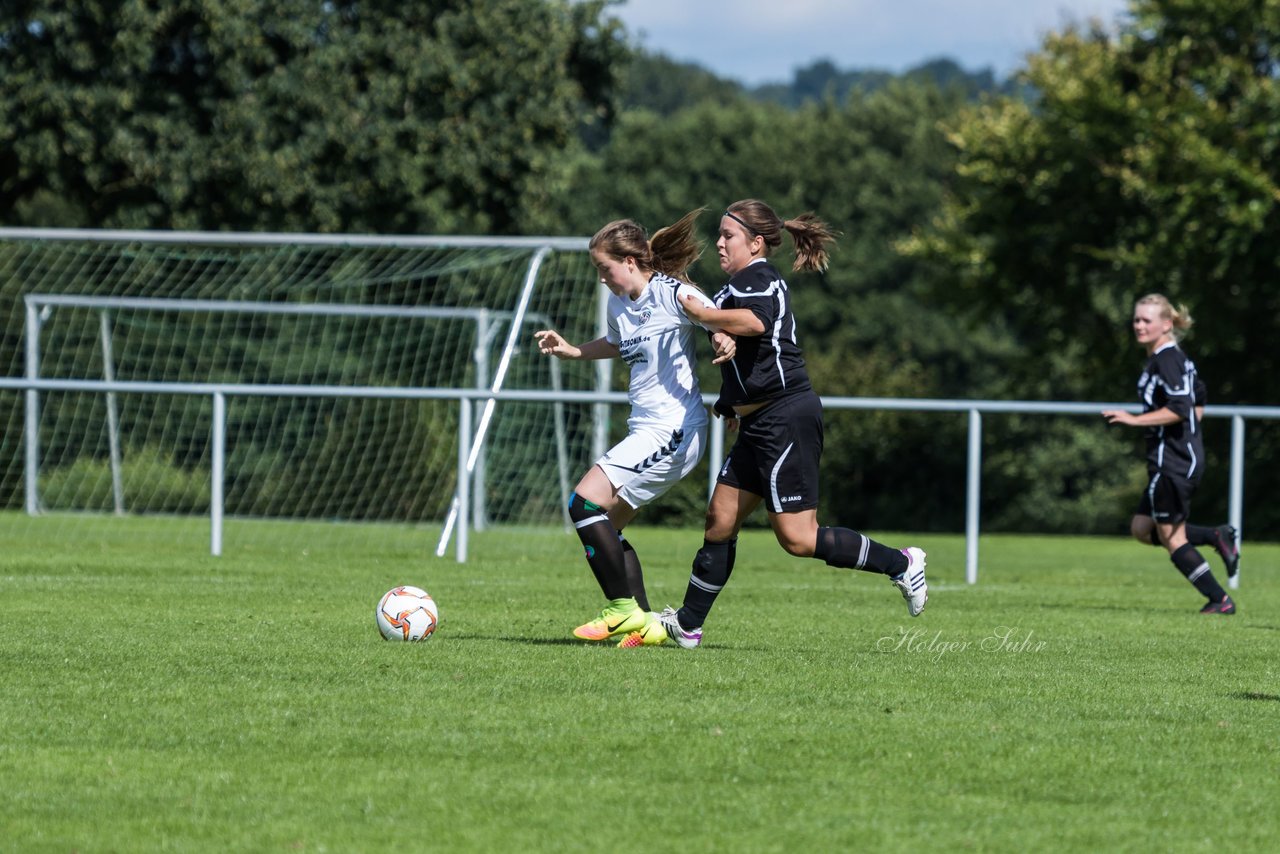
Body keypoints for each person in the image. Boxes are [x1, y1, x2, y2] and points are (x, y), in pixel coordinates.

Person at [639, 199, 928, 650]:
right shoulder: (733, 287)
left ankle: (902, 564)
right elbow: (728, 322)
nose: (719, 243)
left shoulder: (761, 278)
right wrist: (726, 367)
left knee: (796, 538)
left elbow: (753, 322)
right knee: (720, 519)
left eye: (727, 236)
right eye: (719, 235)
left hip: (786, 417)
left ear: (755, 243)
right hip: (758, 423)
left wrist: (709, 320)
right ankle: (689, 625)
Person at [534, 209, 735, 647]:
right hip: (646, 429)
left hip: (675, 430)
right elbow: (614, 343)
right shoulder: (617, 304)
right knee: (604, 523)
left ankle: (621, 608)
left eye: (605, 269)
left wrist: (721, 335)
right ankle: (645, 624)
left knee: (583, 502)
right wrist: (573, 351)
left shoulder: (670, 292)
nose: (602, 278)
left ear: (629, 261)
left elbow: (715, 317)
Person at [1102, 293, 1238, 614]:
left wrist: (1135, 420)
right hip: (1167, 457)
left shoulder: (1168, 360)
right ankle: (1215, 535)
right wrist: (1191, 424)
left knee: (1170, 537)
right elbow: (1198, 397)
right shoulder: (1167, 358)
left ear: (1166, 324)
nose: (1138, 325)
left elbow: (1180, 407)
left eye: (1146, 320)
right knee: (1141, 528)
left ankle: (1220, 600)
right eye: (1136, 319)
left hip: (1175, 461)